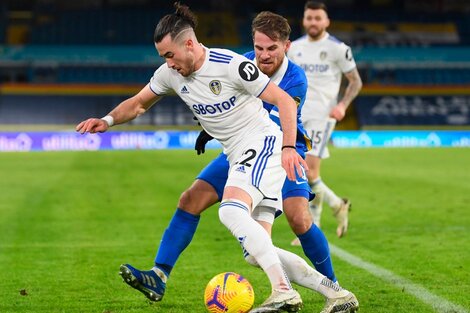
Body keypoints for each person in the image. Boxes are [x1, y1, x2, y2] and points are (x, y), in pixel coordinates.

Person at [76, 3, 306, 312]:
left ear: (188, 43)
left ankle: (294, 288)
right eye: (163, 58)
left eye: (169, 55)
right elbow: (140, 103)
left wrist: (289, 148)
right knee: (190, 201)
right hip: (233, 153)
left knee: (247, 220)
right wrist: (107, 120)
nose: (167, 64)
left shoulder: (229, 64)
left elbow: (283, 102)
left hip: (261, 146)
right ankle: (158, 276)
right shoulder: (170, 74)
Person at [287, 1, 363, 239]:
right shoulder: (294, 48)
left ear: (326, 21)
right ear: (303, 19)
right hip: (296, 116)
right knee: (304, 172)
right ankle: (317, 224)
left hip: (322, 116)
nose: (313, 22)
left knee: (308, 172)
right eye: (309, 17)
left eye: (318, 18)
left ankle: (335, 206)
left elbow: (356, 81)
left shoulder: (338, 48)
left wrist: (342, 105)